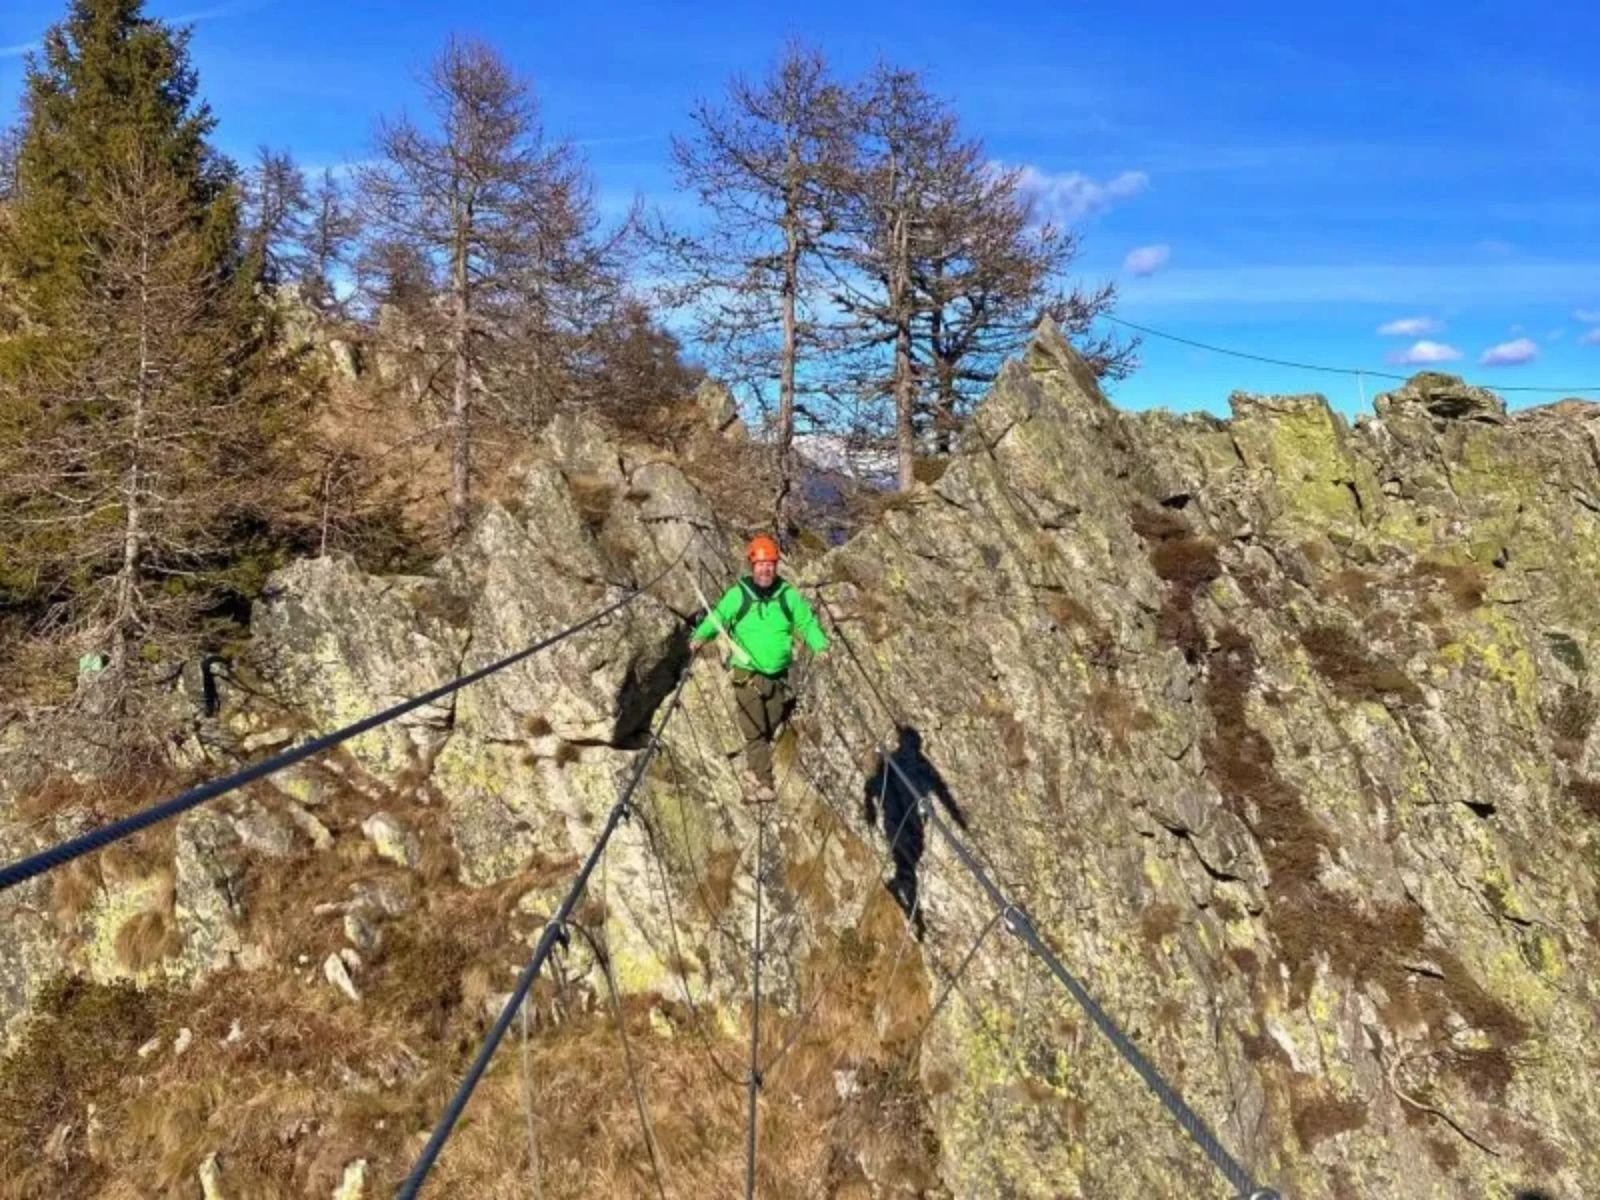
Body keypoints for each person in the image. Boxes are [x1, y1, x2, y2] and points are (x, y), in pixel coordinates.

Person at [690, 535, 829, 803]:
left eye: (770, 565)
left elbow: (806, 622)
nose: (765, 570)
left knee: (771, 721)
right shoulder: (739, 595)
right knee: (755, 729)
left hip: (777, 677)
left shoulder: (787, 595)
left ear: (776, 566)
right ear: (752, 566)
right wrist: (699, 637)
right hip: (747, 674)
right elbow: (717, 618)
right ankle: (763, 781)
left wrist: (820, 645)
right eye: (760, 564)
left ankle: (757, 761)